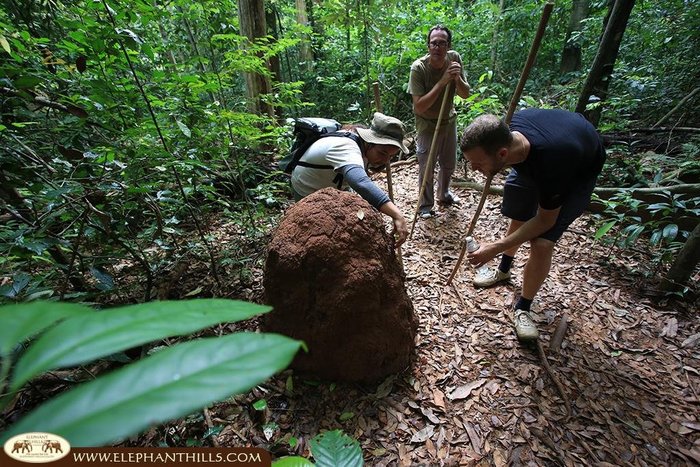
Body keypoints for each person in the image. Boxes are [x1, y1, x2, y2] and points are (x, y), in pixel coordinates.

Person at [460, 109, 606, 341]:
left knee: (542, 242)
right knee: (518, 213)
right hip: (534, 157)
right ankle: (503, 271)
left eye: (477, 164)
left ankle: (524, 308)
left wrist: (494, 247)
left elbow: (544, 220)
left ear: (502, 153)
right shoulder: (509, 131)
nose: (475, 170)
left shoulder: (554, 164)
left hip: (577, 170)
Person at [291, 112, 410, 247]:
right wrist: (397, 214)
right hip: (308, 188)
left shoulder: (361, 146)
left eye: (391, 156)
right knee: (315, 235)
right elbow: (361, 182)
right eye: (382, 153)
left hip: (335, 187)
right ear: (370, 142)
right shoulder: (347, 147)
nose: (385, 160)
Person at [408, 25, 471, 219]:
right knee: (427, 166)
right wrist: (442, 82)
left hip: (448, 120)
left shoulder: (454, 59)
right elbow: (419, 107)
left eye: (442, 43)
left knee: (449, 163)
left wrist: (457, 78)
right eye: (433, 43)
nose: (437, 47)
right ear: (428, 46)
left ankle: (444, 193)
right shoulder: (419, 68)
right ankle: (425, 205)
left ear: (448, 45)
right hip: (427, 124)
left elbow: (465, 93)